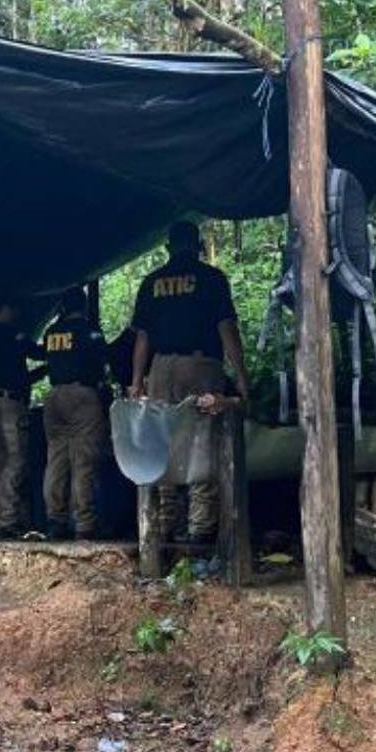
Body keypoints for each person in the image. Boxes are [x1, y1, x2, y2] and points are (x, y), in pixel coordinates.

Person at [129, 221, 251, 543]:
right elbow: (226, 329)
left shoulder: (152, 282)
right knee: (201, 439)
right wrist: (241, 376)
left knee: (162, 442)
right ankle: (200, 526)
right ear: (197, 245)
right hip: (199, 366)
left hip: (160, 368)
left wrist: (137, 381)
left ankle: (167, 520)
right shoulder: (211, 279)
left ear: (169, 247)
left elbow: (142, 337)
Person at [41, 287, 109, 539]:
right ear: (83, 306)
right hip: (82, 396)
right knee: (84, 461)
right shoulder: (88, 331)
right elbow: (101, 363)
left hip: (54, 397)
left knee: (56, 461)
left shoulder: (51, 333)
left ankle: (55, 520)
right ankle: (84, 523)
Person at [0, 301, 44, 538]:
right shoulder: (10, 335)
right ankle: (7, 519)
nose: (16, 312)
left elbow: (18, 374)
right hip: (9, 403)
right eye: (11, 307)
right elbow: (38, 352)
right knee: (16, 458)